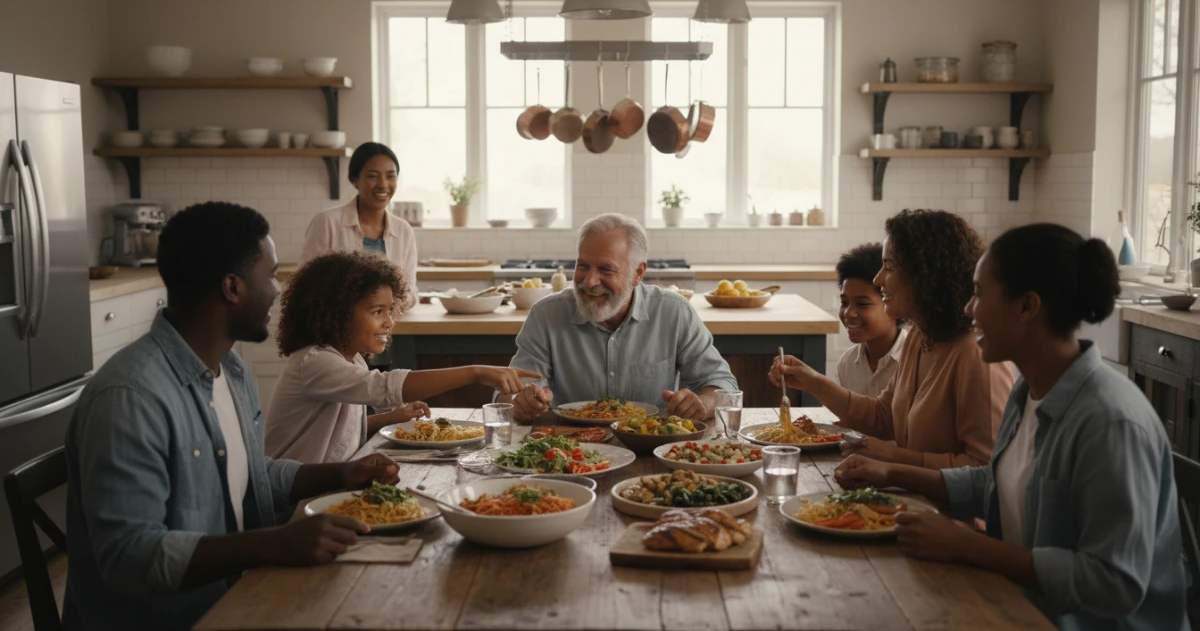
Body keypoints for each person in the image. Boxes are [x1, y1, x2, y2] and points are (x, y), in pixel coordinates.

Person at [63, 203, 400, 631]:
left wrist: (341, 473)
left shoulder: (232, 371)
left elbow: (249, 473)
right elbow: (130, 556)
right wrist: (271, 544)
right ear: (232, 288)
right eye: (272, 275)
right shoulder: (130, 398)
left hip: (242, 594)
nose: (279, 291)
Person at [834, 223, 1187, 631]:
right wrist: (892, 471)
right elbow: (1000, 485)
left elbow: (1114, 584)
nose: (968, 309)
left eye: (980, 295)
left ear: (1027, 307)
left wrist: (970, 547)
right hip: (1016, 604)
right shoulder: (1028, 394)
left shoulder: (1111, 422)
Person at [771, 209, 1013, 468]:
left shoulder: (976, 355)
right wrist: (813, 382)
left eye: (889, 267)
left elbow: (987, 469)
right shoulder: (920, 337)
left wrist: (894, 460)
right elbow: (883, 417)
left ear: (926, 276)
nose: (878, 279)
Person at [266, 250, 541, 463]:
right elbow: (383, 387)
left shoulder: (350, 358)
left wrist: (391, 418)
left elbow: (344, 431)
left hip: (325, 485)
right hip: (293, 499)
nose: (389, 322)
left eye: (389, 311)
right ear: (335, 313)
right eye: (377, 312)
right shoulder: (314, 362)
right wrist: (476, 372)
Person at [500, 213, 738, 423]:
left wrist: (703, 404)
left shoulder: (674, 312)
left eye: (606, 270)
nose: (590, 281)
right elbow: (509, 394)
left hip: (652, 449)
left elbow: (725, 387)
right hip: (571, 451)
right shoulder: (545, 315)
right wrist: (522, 402)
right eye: (583, 266)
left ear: (638, 273)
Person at [301, 142, 417, 311]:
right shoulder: (327, 222)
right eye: (372, 176)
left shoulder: (404, 231)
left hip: (390, 327)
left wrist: (384, 307)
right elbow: (306, 285)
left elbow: (410, 291)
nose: (383, 184)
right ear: (355, 179)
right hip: (338, 331)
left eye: (390, 176)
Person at [835, 243, 906, 397]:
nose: (849, 313)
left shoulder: (915, 360)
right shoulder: (847, 363)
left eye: (863, 304)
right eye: (844, 303)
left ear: (892, 303)